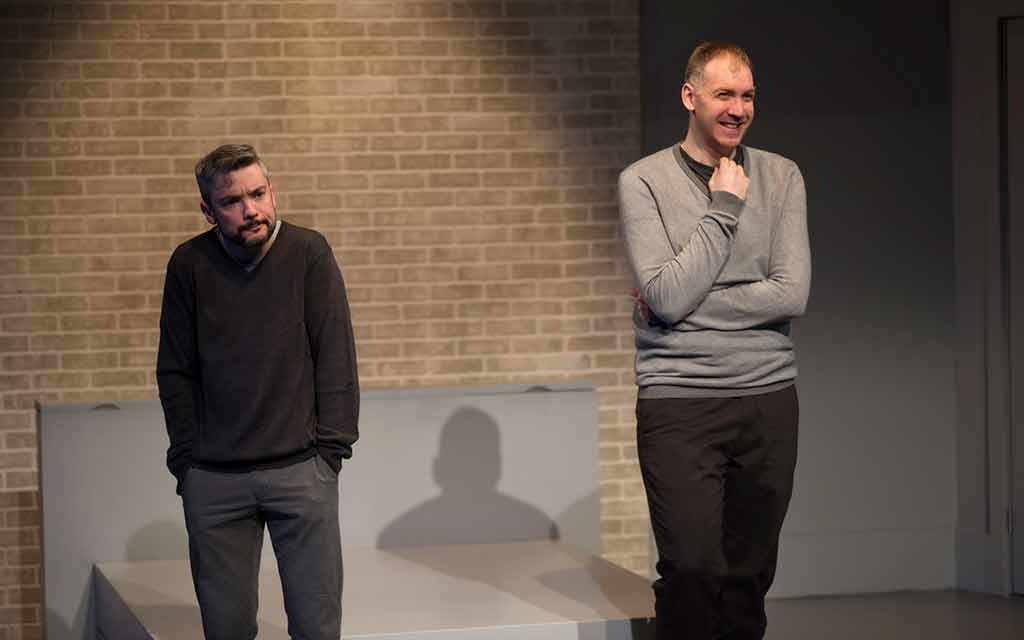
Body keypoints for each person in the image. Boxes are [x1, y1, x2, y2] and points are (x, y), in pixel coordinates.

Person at [617, 42, 811, 639]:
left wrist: (683, 305)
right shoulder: (643, 181)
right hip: (679, 401)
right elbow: (666, 296)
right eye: (724, 94)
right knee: (692, 571)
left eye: (748, 95)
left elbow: (791, 293)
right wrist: (724, 207)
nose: (738, 109)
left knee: (748, 578)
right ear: (690, 96)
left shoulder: (781, 176)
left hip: (767, 399)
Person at [157, 144, 359, 640]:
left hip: (301, 473)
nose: (251, 210)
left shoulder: (308, 252)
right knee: (226, 631)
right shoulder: (188, 264)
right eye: (232, 201)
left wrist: (330, 454)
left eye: (258, 194)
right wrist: (188, 462)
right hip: (214, 480)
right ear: (208, 210)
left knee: (316, 629)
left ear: (272, 191)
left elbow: (336, 356)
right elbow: (175, 369)